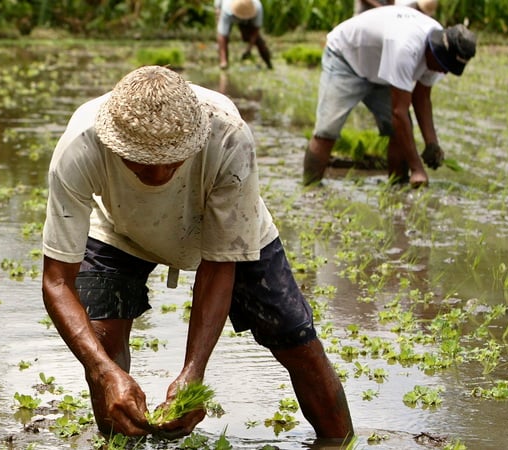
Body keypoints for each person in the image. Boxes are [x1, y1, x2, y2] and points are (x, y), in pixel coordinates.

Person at [41, 65, 354, 440]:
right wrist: (101, 370)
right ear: (113, 143)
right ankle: (121, 441)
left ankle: (340, 442)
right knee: (103, 343)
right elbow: (57, 280)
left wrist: (194, 372)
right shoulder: (81, 144)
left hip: (215, 220)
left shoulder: (228, 136)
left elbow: (220, 265)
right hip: (119, 226)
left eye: (172, 161)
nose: (158, 177)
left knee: (296, 340)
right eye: (140, 162)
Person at [303, 6, 476, 187]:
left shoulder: (440, 52)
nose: (442, 71)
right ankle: (310, 190)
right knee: (327, 131)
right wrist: (417, 168)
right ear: (434, 50)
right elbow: (398, 112)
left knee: (398, 132)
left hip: (381, 69)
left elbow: (422, 98)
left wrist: (431, 143)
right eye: (442, 65)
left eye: (447, 68)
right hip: (346, 58)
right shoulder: (406, 48)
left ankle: (397, 188)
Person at [214, 0, 273, 70]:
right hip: (228, 12)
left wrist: (249, 49)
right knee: (224, 38)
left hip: (249, 18)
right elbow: (222, 35)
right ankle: (224, 62)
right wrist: (223, 61)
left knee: (256, 39)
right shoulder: (226, 8)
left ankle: (269, 63)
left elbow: (255, 31)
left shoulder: (257, 7)